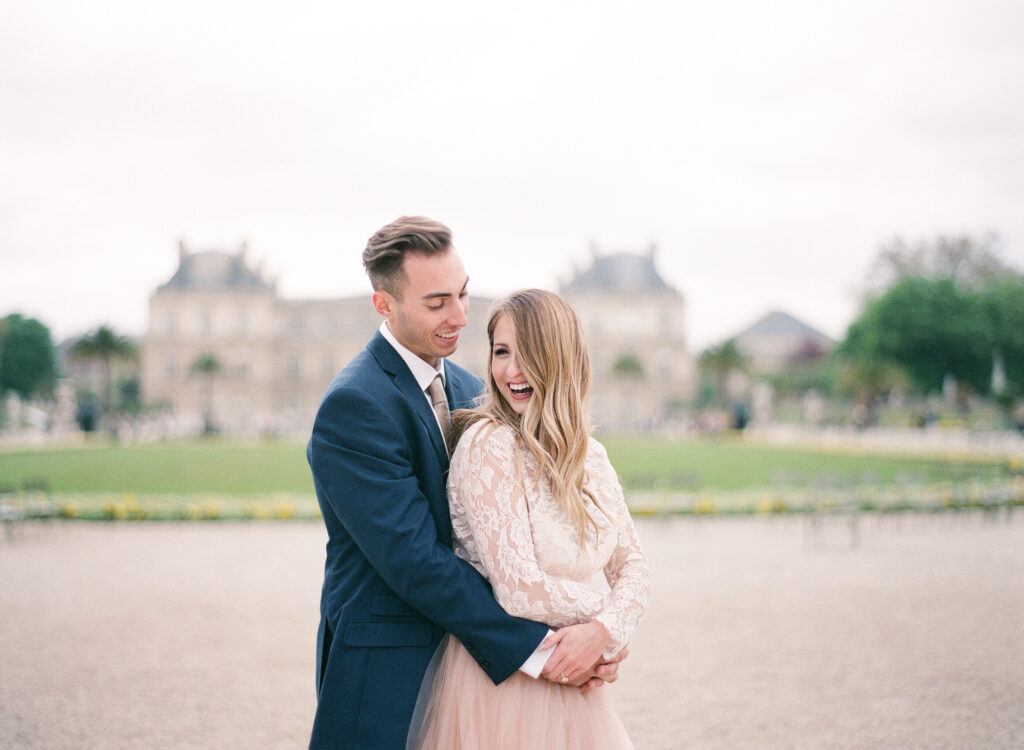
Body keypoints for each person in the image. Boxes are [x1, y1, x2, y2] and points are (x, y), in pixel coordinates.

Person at [307, 218, 620, 750]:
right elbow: (417, 562)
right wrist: (550, 651)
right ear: (385, 305)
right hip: (391, 664)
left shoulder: (476, 389)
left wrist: (600, 634)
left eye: (464, 293)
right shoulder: (354, 406)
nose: (459, 316)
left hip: (477, 665)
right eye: (436, 303)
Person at [411, 289, 652, 749]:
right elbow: (519, 588)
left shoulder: (592, 456)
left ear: (561, 359)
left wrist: (604, 634)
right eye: (501, 352)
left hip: (572, 677)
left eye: (529, 354)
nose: (511, 371)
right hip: (508, 681)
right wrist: (607, 630)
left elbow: (635, 567)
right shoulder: (489, 443)